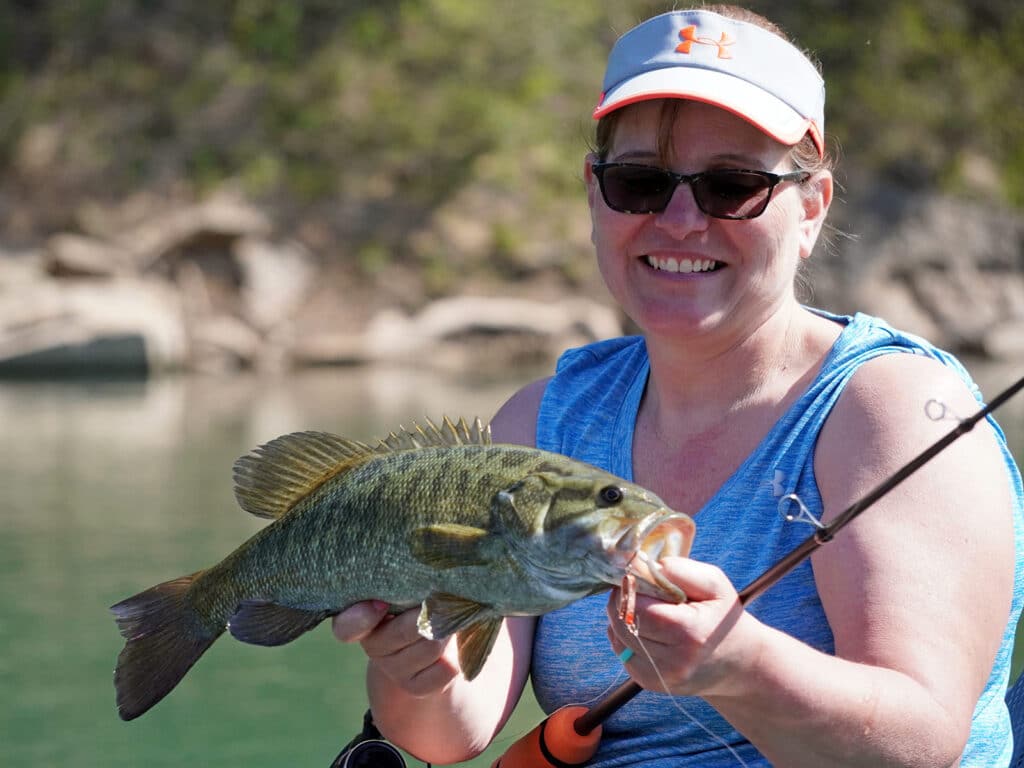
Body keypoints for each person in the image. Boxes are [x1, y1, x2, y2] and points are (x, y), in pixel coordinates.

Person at [332, 5, 1024, 766]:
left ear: (811, 209)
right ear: (595, 193)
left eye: (732, 185)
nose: (682, 220)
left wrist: (744, 665)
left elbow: (921, 745)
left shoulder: (890, 413)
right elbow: (448, 731)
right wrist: (410, 664)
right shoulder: (542, 421)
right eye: (640, 182)